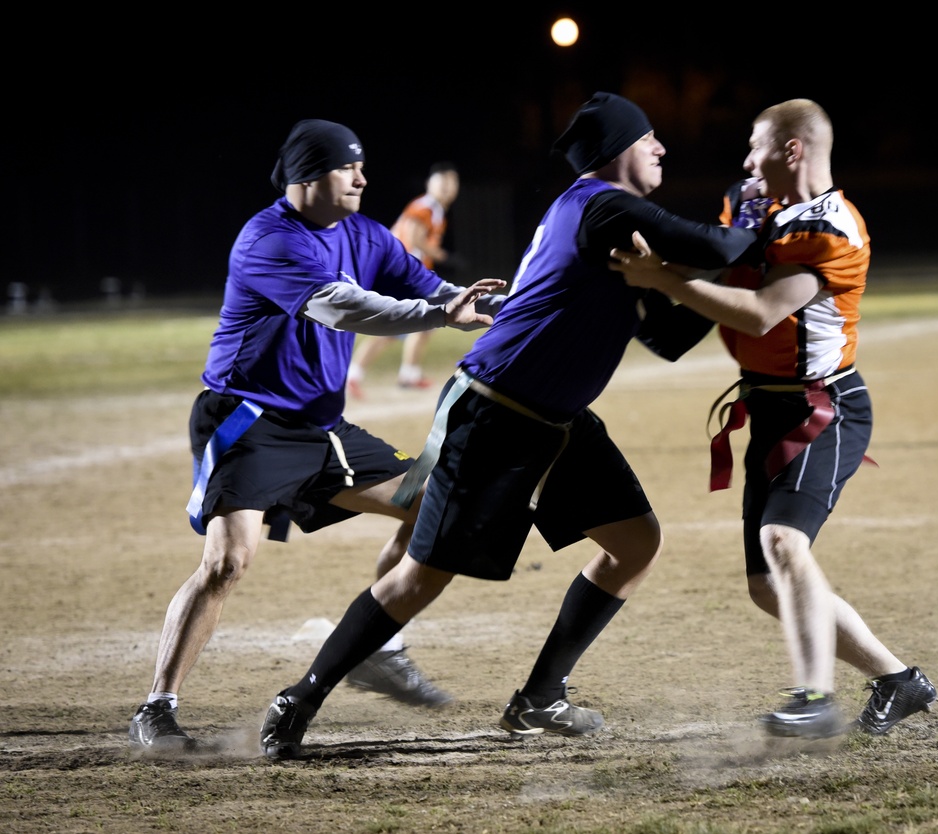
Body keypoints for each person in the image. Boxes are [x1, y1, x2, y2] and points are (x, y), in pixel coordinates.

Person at [256, 92, 759, 760]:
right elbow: (710, 242)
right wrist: (758, 220)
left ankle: (538, 699)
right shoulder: (602, 203)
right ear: (617, 153)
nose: (661, 149)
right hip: (495, 413)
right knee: (419, 579)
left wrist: (702, 276)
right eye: (650, 139)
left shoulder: (600, 216)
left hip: (554, 417)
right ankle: (302, 697)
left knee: (634, 542)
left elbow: (666, 335)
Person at [128, 119, 506, 752]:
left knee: (429, 505)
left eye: (362, 166)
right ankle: (155, 708)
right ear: (307, 175)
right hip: (248, 420)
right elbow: (343, 305)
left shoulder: (366, 233)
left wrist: (500, 307)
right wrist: (443, 313)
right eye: (347, 167)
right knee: (227, 563)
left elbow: (427, 286)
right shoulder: (267, 239)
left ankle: (378, 647)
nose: (362, 177)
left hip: (321, 427)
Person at [610, 99, 937, 740]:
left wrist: (660, 279)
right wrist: (650, 276)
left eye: (755, 145)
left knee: (783, 542)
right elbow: (723, 267)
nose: (744, 160)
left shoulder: (833, 226)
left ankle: (815, 696)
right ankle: (899, 681)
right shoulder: (755, 203)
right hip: (766, 404)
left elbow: (761, 311)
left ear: (792, 150)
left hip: (822, 406)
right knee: (768, 584)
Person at [347, 162, 462, 395]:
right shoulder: (426, 206)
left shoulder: (436, 210)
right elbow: (412, 237)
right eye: (443, 182)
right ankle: (360, 374)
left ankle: (404, 374)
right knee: (413, 322)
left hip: (401, 272)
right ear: (430, 184)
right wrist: (443, 256)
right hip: (400, 273)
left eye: (452, 183)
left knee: (413, 325)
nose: (448, 188)